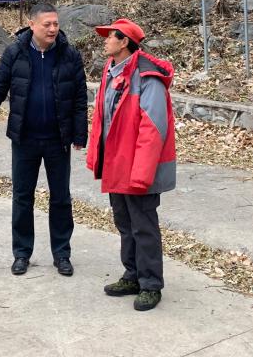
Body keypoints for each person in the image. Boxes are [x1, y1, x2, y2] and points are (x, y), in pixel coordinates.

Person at [0, 1, 88, 276]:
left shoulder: (69, 54)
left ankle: (62, 254)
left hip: (57, 139)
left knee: (61, 198)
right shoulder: (15, 52)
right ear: (32, 25)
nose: (52, 29)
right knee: (22, 197)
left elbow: (79, 98)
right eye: (47, 24)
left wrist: (79, 133)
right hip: (24, 138)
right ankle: (22, 253)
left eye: (56, 24)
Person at [86, 18, 176, 312]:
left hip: (138, 167)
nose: (105, 41)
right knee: (125, 224)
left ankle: (151, 285)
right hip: (117, 165)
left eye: (110, 36)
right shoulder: (111, 71)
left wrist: (142, 173)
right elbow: (103, 120)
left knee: (143, 226)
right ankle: (133, 275)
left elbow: (153, 129)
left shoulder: (147, 77)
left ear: (124, 41)